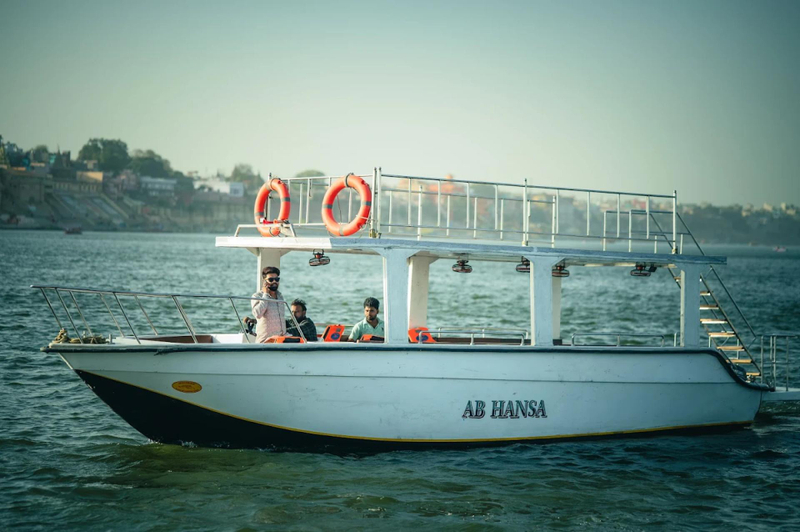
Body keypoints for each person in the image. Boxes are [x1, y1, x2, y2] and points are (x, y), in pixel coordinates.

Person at [251, 266, 286, 343]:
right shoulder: (257, 296)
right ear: (264, 281)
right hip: (265, 341)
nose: (274, 282)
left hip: (280, 341)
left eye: (277, 279)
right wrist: (266, 295)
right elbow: (257, 314)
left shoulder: (280, 296)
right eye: (271, 279)